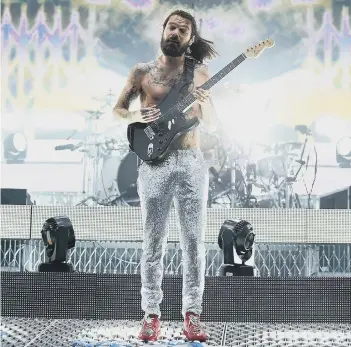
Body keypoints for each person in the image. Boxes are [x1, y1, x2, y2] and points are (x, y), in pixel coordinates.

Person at [113, 9, 217, 342]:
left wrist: (207, 103)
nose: (175, 32)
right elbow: (118, 109)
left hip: (190, 160)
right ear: (163, 30)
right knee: (153, 243)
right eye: (171, 26)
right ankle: (151, 316)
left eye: (182, 29)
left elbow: (212, 123)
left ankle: (192, 316)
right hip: (154, 165)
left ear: (191, 38)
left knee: (193, 244)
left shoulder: (199, 75)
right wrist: (135, 113)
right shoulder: (142, 72)